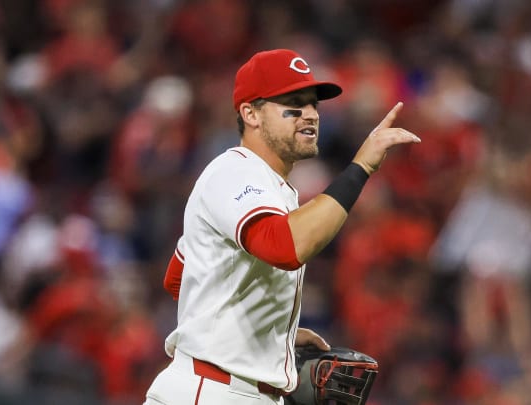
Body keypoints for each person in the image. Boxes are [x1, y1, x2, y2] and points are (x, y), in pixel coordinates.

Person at [143, 49, 421, 405]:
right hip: (211, 391)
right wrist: (361, 168)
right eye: (293, 104)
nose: (309, 115)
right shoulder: (235, 171)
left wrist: (272, 337)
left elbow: (179, 277)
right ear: (251, 113)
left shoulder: (274, 189)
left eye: (313, 105)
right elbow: (285, 247)